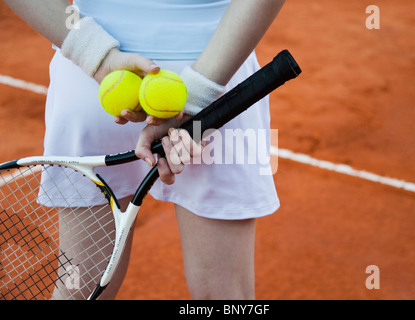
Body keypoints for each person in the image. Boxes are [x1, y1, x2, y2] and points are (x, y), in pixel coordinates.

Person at [3, 0, 286, 300]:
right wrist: (197, 95)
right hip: (217, 88)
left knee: (76, 288)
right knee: (226, 296)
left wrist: (95, 54)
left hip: (94, 87)